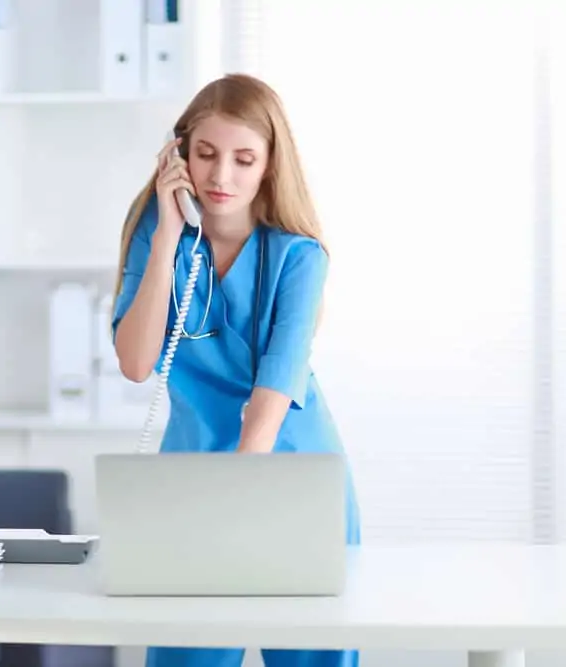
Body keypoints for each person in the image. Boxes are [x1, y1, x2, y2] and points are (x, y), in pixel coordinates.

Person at [111, 73, 361, 667]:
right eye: (205, 155)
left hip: (288, 479)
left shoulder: (299, 257)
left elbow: (275, 388)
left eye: (244, 159)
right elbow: (135, 362)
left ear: (270, 165)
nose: (221, 176)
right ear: (179, 156)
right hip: (195, 481)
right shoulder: (157, 237)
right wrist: (170, 234)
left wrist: (236, 501)